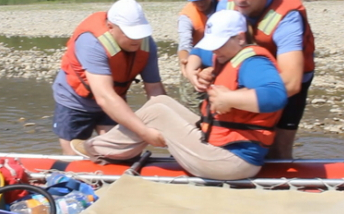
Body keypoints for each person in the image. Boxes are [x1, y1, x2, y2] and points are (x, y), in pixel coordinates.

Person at [71, 10, 287, 180]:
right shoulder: (225, 53)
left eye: (219, 45)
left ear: (240, 38)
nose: (214, 51)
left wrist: (229, 99)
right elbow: (198, 53)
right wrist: (193, 69)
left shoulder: (253, 62)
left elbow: (276, 96)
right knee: (161, 101)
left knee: (157, 113)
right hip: (219, 144)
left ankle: (97, 149)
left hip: (233, 161)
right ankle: (114, 148)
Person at [217, 0, 316, 159]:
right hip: (246, 78)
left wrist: (237, 100)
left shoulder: (287, 17)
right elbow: (214, 54)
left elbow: (291, 82)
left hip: (286, 85)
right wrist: (200, 70)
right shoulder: (225, 6)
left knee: (278, 149)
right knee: (227, 140)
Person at [52, 0, 167, 155]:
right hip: (75, 102)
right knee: (73, 157)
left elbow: (154, 89)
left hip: (114, 100)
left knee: (116, 154)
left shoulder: (146, 44)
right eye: (129, 34)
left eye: (139, 33)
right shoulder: (92, 43)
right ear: (111, 27)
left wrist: (165, 125)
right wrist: (145, 132)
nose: (137, 39)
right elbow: (104, 97)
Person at [177, 0, 222, 112]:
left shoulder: (226, 5)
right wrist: (185, 64)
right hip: (198, 64)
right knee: (193, 105)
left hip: (226, 59)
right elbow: (185, 45)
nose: (201, 2)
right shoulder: (186, 17)